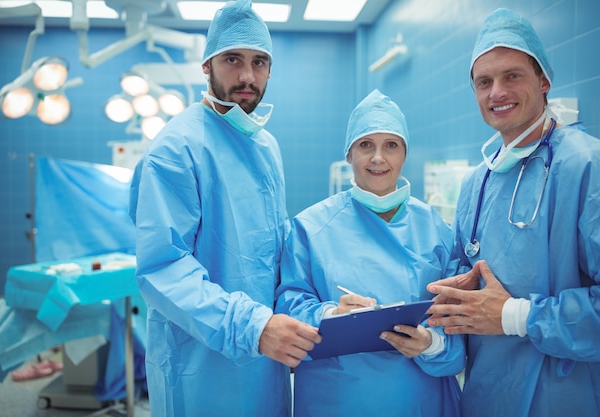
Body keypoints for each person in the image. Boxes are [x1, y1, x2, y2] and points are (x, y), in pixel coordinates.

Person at [129, 1, 320, 415]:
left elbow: (274, 251)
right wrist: (250, 326)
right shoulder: (176, 148)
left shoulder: (266, 147)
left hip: (263, 357)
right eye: (233, 59)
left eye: (259, 62)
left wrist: (325, 300)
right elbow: (164, 269)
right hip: (199, 362)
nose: (248, 76)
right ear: (207, 66)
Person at [426, 8, 600, 417]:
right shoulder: (477, 182)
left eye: (512, 75)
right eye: (484, 82)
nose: (497, 92)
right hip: (489, 394)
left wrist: (516, 315)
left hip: (571, 397)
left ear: (544, 81)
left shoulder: (590, 167)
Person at [275, 89, 464, 417]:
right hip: (337, 398)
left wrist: (430, 344)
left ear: (404, 154)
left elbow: (458, 319)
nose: (378, 158)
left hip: (420, 398)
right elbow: (289, 307)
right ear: (348, 155)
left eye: (391, 145)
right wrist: (333, 315)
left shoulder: (435, 229)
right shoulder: (311, 228)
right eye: (366, 145)